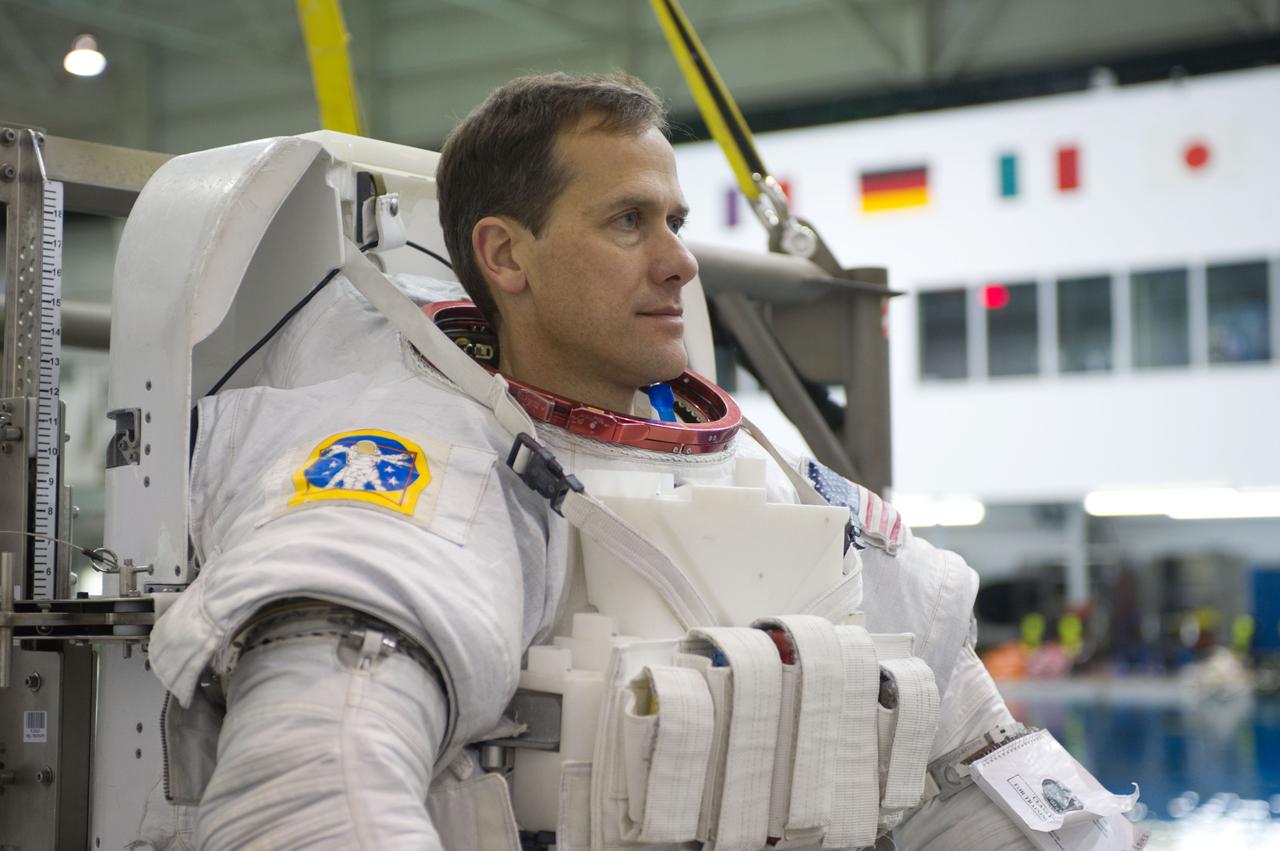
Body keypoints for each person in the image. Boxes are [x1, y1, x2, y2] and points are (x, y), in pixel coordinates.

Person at [145, 71, 1103, 851]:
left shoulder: (778, 483)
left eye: (676, 221)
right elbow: (309, 796)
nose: (680, 261)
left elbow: (995, 781)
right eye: (627, 222)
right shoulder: (416, 476)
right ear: (505, 258)